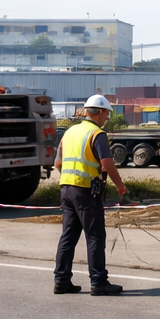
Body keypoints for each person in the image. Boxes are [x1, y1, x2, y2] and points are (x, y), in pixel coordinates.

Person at [54, 94, 128, 295]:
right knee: (95, 235)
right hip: (86, 191)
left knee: (68, 236)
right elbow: (107, 163)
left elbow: (58, 163)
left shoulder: (69, 132)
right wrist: (120, 185)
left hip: (66, 189)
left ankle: (61, 280)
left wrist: (69, 179)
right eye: (107, 114)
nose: (107, 118)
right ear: (101, 112)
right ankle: (98, 281)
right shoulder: (97, 134)